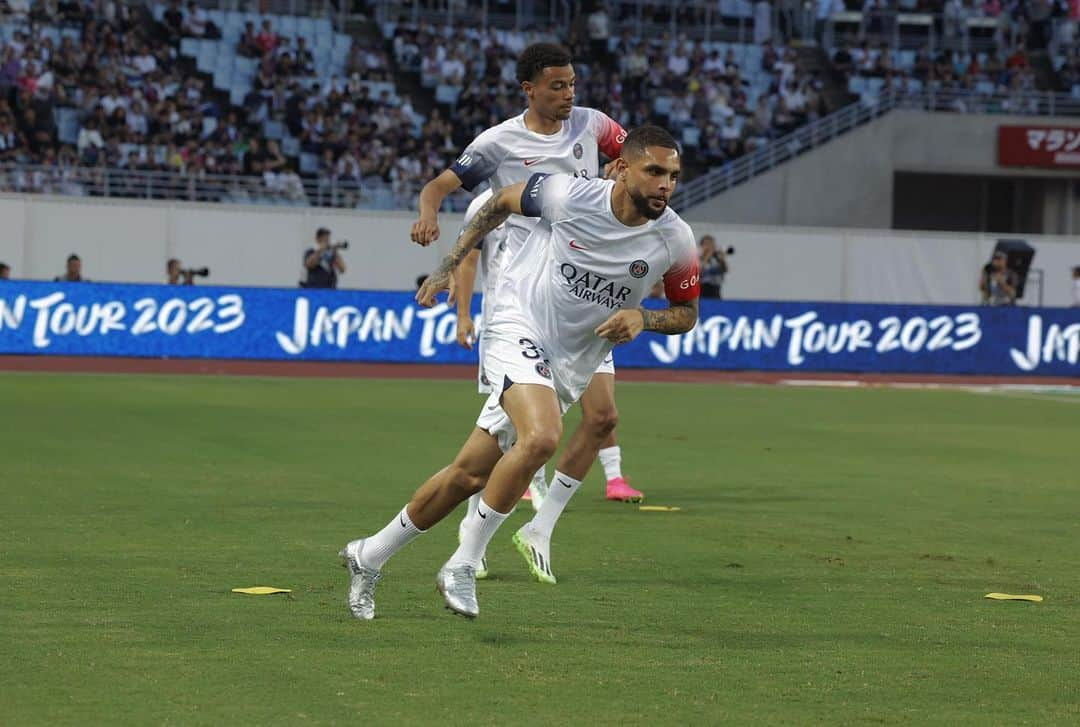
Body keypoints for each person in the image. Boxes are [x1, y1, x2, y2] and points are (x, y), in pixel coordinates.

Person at [341, 125, 700, 620]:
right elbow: (497, 203)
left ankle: (369, 555)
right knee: (543, 436)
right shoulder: (568, 193)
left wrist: (646, 317)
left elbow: (687, 313)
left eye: (674, 176)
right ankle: (464, 563)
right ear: (621, 168)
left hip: (572, 362)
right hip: (517, 323)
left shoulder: (677, 240)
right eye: (654, 171)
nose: (665, 185)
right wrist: (450, 264)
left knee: (467, 475)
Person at [411, 42, 643, 528]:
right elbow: (438, 186)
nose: (568, 95)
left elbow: (638, 156)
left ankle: (540, 521)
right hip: (525, 296)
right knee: (518, 433)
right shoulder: (499, 142)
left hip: (583, 290)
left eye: (573, 84)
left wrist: (621, 170)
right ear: (529, 89)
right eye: (557, 86)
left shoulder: (592, 124)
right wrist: (428, 216)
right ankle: (478, 521)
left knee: (602, 416)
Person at [698, 235, 729, 299]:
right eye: (706, 244)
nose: (709, 246)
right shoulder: (697, 258)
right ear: (701, 246)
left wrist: (722, 260)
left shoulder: (716, 258)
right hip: (702, 289)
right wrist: (707, 256)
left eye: (711, 244)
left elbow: (725, 270)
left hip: (716, 288)